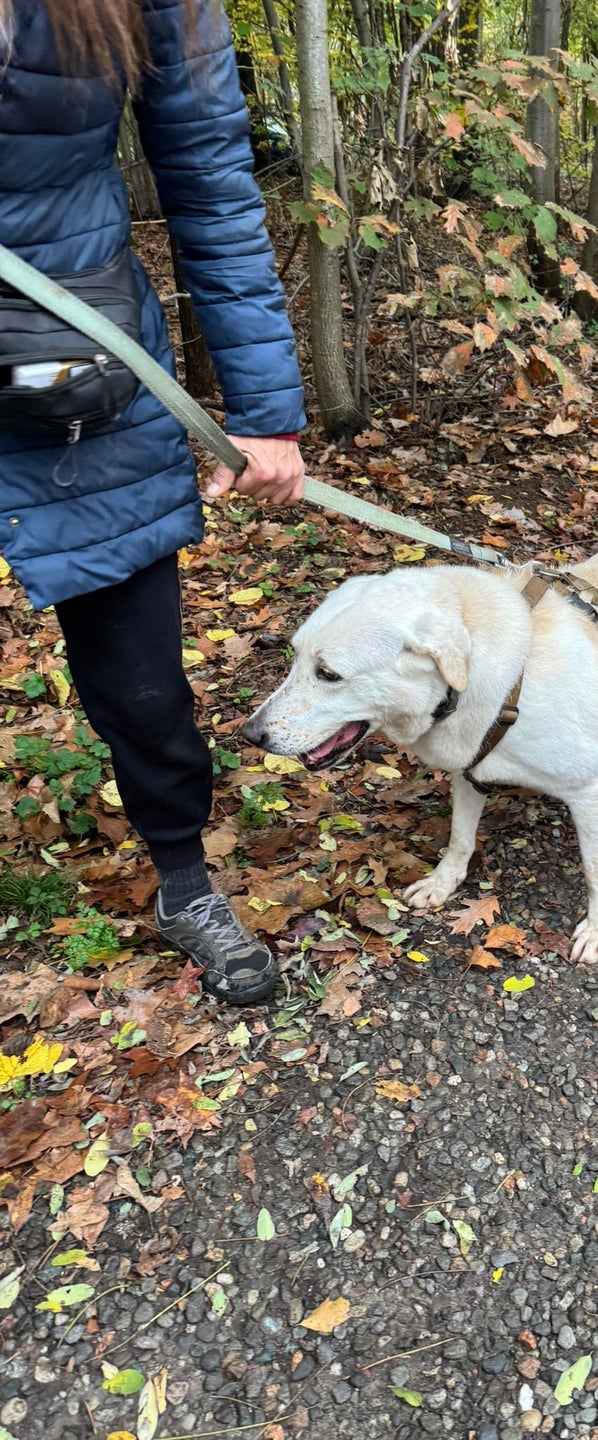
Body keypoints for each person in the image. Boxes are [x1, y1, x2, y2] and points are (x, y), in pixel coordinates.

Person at [0, 0, 307, 1003]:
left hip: (70, 371)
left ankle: (183, 882)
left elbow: (212, 184)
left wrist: (263, 411)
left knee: (140, 678)